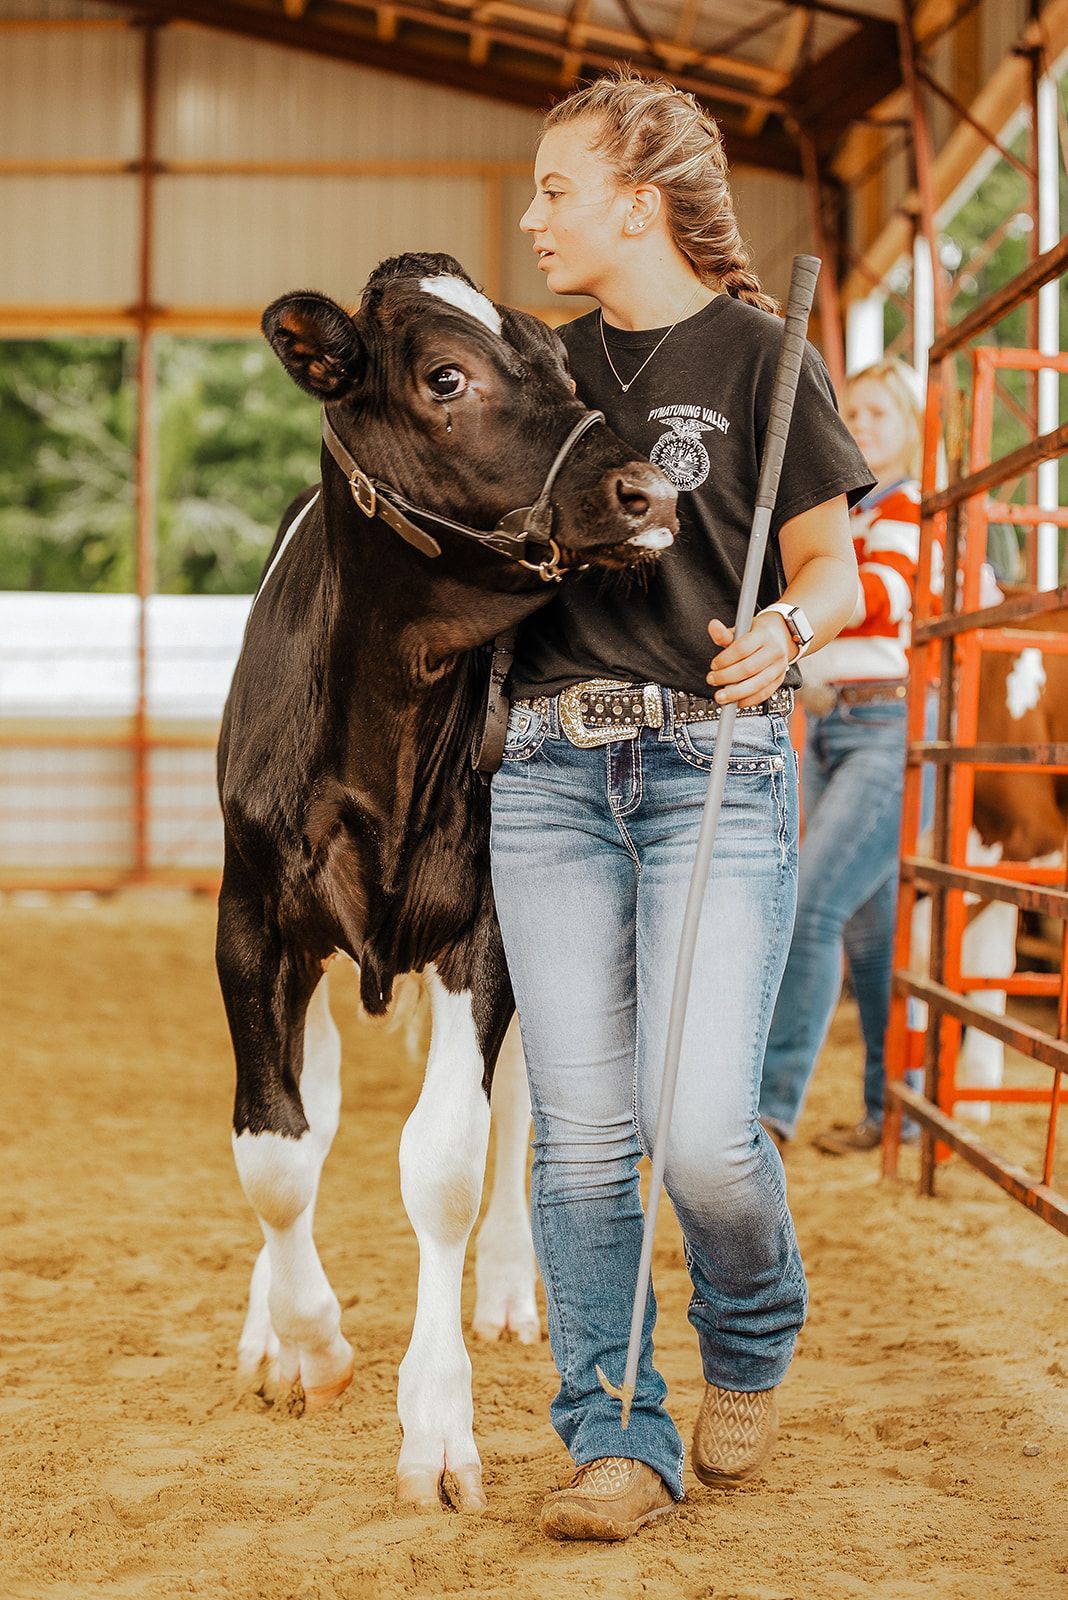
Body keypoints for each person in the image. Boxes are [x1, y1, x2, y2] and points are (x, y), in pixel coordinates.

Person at [489, 70, 873, 1542]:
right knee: (582, 1134)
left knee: (703, 1129)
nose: (533, 219)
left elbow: (832, 570)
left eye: (556, 190)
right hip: (550, 776)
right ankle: (614, 1435)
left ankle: (753, 1321)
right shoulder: (534, 372)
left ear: (637, 203)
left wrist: (792, 632)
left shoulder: (770, 359)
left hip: (718, 763)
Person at [758, 359, 925, 1155]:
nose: (861, 425)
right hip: (829, 726)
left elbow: (882, 598)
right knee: (868, 935)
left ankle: (770, 1107)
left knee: (810, 905)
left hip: (883, 728)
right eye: (850, 412)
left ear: (910, 431)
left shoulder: (900, 507)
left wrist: (809, 600)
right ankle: (893, 1107)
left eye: (879, 414)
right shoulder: (849, 514)